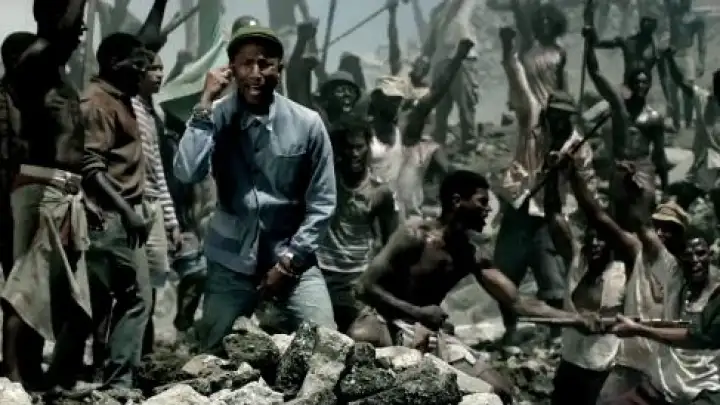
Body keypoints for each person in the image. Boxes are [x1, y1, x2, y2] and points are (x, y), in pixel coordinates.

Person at [348, 170, 599, 402]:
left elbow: (518, 303)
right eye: (482, 202)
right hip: (387, 318)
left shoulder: (472, 255)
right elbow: (365, 287)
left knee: (501, 390)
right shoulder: (414, 234)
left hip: (429, 330)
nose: (488, 210)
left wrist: (575, 319)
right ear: (457, 201)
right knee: (361, 338)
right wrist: (417, 312)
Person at [173, 26, 337, 353]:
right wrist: (204, 102)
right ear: (231, 69)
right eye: (246, 64)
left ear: (280, 69)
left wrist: (289, 263)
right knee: (212, 354)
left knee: (327, 347)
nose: (256, 74)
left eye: (265, 64)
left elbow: (323, 202)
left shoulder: (307, 124)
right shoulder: (215, 116)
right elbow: (187, 171)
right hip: (230, 264)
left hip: (292, 259)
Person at [0, 0, 91, 391]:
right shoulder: (34, 64)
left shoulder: (55, 74)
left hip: (63, 188)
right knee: (26, 285)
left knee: (51, 290)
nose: (80, 32)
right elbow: (61, 31)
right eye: (76, 22)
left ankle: (37, 376)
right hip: (40, 186)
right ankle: (13, 377)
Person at [496, 26, 596, 345]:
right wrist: (508, 48)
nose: (558, 122)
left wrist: (568, 171)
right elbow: (517, 79)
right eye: (554, 115)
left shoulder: (579, 146)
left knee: (551, 276)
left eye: (565, 117)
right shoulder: (532, 124)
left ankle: (555, 336)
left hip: (549, 215)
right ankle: (511, 332)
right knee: (505, 272)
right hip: (519, 206)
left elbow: (587, 186)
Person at [78, 32, 153, 389]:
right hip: (111, 215)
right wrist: (127, 211)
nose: (143, 72)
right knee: (133, 298)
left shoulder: (118, 99)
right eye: (136, 64)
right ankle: (117, 383)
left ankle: (108, 378)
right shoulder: (98, 102)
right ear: (113, 63)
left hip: (120, 213)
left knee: (110, 301)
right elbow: (91, 166)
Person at [607, 236, 720, 405]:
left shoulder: (716, 297)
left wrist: (639, 330)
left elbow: (694, 337)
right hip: (664, 386)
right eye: (688, 255)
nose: (694, 260)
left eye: (700, 254)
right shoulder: (681, 289)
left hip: (703, 390)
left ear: (710, 255)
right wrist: (638, 324)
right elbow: (681, 324)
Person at [318, 114, 399, 333]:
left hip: (357, 276)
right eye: (348, 147)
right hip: (322, 273)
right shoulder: (325, 181)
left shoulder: (380, 192)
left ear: (368, 148)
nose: (354, 154)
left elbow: (391, 241)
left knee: (361, 335)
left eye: (359, 147)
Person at [584, 24, 669, 193]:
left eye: (644, 82)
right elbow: (596, 73)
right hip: (620, 167)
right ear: (630, 85)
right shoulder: (619, 107)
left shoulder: (653, 118)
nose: (640, 86)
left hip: (643, 169)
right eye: (637, 82)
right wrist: (589, 45)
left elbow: (659, 155)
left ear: (649, 85)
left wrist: (666, 190)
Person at [411, 0, 481, 147]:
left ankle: (469, 143)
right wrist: (424, 58)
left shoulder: (464, 4)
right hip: (441, 61)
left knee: (465, 103)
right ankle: (438, 145)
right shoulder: (437, 12)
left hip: (462, 57)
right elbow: (431, 41)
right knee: (440, 108)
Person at [664, 0, 706, 130]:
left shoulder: (696, 19)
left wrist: (701, 62)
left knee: (688, 92)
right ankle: (676, 123)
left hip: (687, 55)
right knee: (673, 92)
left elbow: (702, 42)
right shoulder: (673, 12)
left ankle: (687, 123)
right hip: (673, 55)